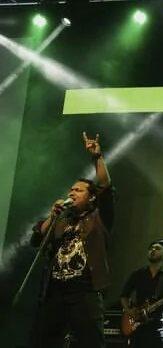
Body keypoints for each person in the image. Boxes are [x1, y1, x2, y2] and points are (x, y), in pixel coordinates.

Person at [28, 132, 115, 348]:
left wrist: (97, 157)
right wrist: (52, 215)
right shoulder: (61, 220)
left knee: (91, 343)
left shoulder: (99, 218)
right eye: (71, 190)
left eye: (78, 190)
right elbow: (36, 239)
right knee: (43, 342)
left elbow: (105, 187)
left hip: (85, 292)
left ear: (91, 196)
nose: (72, 192)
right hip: (56, 291)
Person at [120, 241, 163, 348]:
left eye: (157, 248)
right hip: (138, 328)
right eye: (151, 248)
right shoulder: (138, 274)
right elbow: (124, 295)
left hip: (159, 328)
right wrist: (129, 311)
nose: (153, 250)